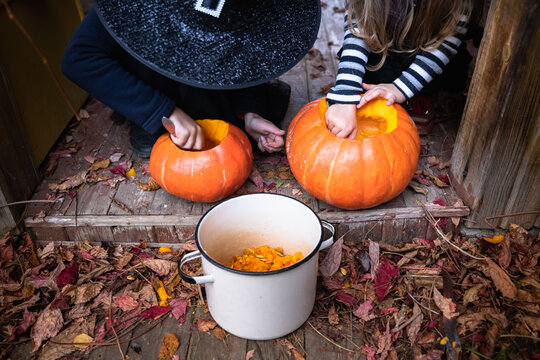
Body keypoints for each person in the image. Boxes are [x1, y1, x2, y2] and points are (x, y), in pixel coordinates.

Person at [62, 0, 321, 157]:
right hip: (156, 87)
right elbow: (79, 59)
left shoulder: (247, 13)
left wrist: (250, 111)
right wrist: (164, 111)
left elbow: (248, 57)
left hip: (220, 92)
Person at [325, 0, 474, 139]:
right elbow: (357, 31)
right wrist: (345, 95)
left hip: (427, 59)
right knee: (372, 75)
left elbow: (443, 47)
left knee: (454, 72)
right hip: (384, 50)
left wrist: (401, 88)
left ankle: (417, 95)